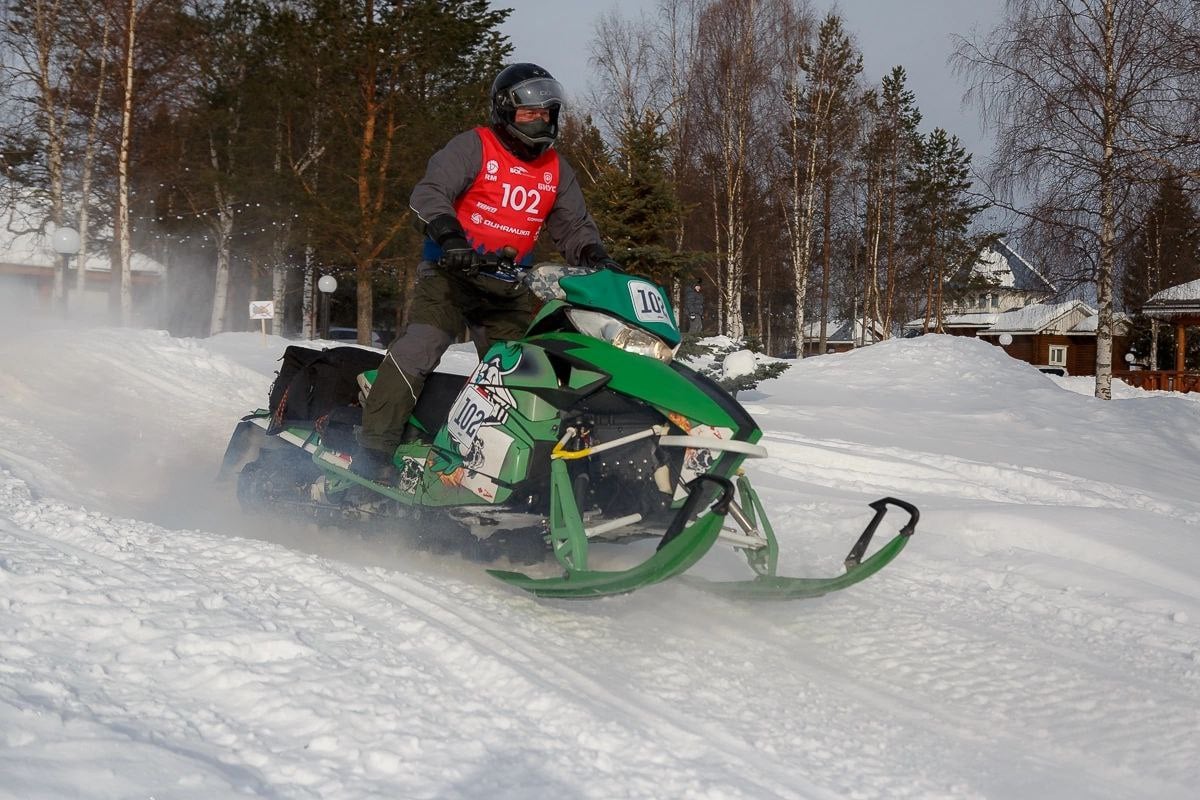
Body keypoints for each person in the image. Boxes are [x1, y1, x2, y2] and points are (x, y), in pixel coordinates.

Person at [356, 62, 620, 475]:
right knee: (422, 344)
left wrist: (596, 259)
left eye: (547, 113)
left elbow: (574, 227)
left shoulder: (556, 170)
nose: (540, 121)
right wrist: (451, 238)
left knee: (525, 369)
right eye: (528, 113)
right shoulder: (473, 146)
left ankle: (513, 469)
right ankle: (372, 450)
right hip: (451, 273)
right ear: (504, 112)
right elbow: (430, 192)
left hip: (508, 285)